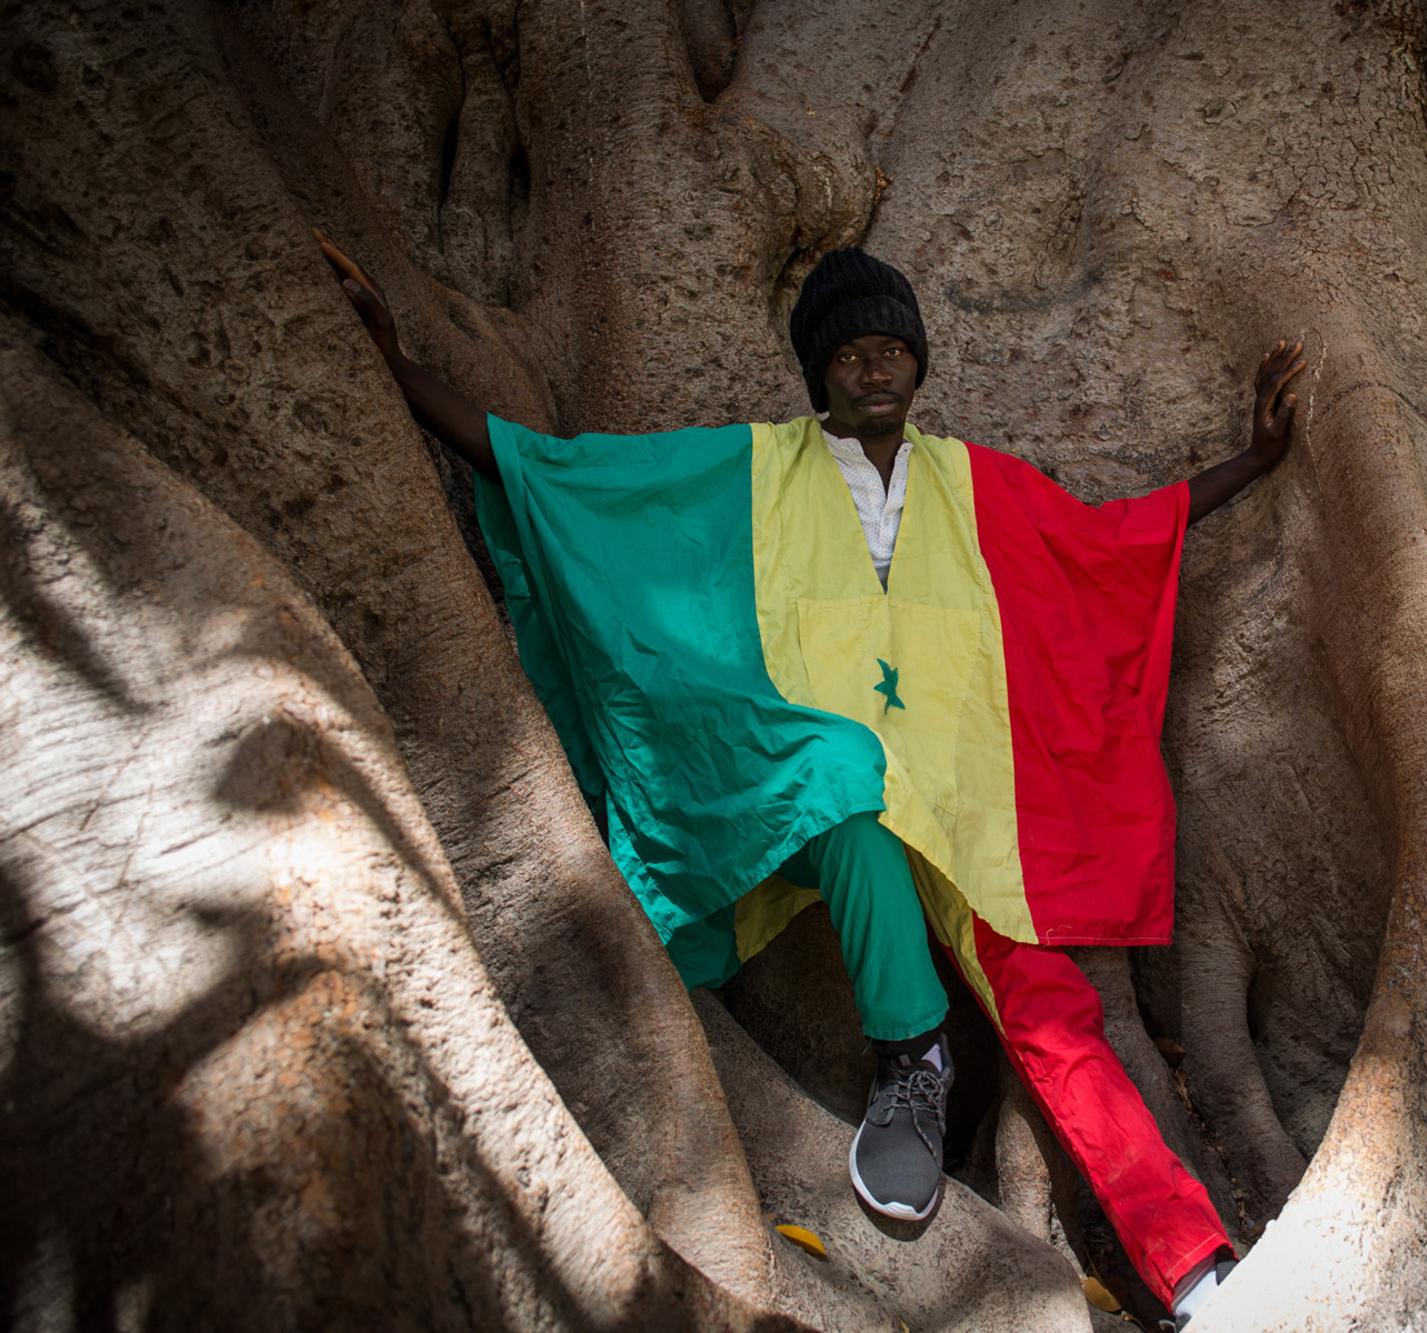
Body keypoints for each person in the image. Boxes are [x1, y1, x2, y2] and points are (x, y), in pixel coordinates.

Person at [319, 233, 1304, 1329]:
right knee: (844, 778)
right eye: (849, 353)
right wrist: (396, 367)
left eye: (892, 347)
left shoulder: (978, 486)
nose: (873, 366)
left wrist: (1253, 463)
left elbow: (1113, 541)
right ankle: (911, 1057)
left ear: (918, 363)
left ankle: (1192, 1272)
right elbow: (566, 474)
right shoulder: (753, 470)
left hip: (966, 816)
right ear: (817, 370)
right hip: (805, 800)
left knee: (1058, 1020)